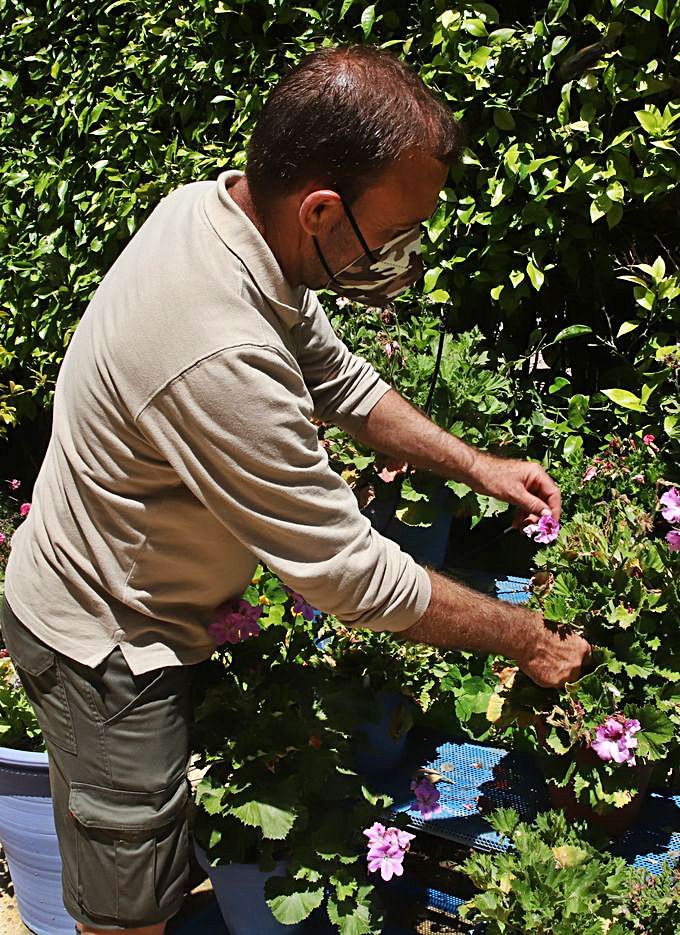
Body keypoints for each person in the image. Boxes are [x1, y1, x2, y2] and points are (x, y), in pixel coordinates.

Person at [0, 44, 590, 935]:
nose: (402, 257)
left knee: (150, 865)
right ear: (319, 210)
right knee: (129, 911)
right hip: (107, 642)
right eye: (392, 235)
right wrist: (528, 639)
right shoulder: (217, 347)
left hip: (154, 602)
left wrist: (475, 463)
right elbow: (348, 576)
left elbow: (339, 380)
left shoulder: (221, 217)